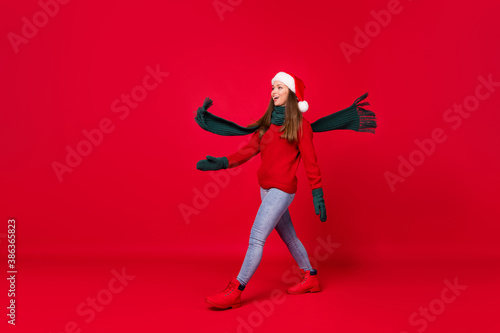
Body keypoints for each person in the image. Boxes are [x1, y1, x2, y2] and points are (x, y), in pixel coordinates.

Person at [196, 72, 327, 309]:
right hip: (265, 189)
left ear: (292, 94)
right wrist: (223, 162)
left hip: (282, 190)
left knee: (256, 238)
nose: (274, 92)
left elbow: (311, 161)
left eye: (280, 87)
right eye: (273, 88)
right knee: (289, 237)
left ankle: (235, 290)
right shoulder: (266, 126)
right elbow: (247, 151)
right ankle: (311, 277)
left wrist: (317, 192)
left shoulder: (300, 126)